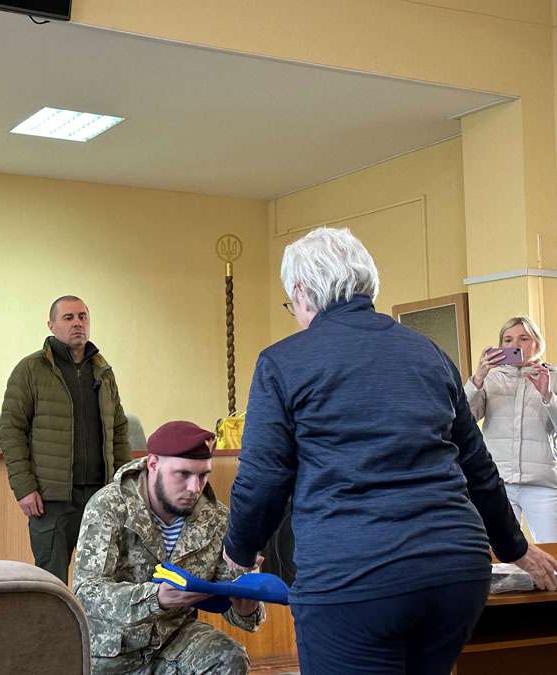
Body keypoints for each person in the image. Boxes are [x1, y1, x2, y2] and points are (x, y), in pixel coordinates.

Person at [223, 227, 557, 675]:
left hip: (354, 576)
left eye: (291, 303)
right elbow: (477, 465)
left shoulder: (283, 362)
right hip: (456, 571)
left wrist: (239, 552)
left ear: (303, 291)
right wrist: (515, 548)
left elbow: (263, 476)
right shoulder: (427, 352)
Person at [74, 420, 263, 675]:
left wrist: (246, 603)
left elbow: (234, 604)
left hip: (174, 639)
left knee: (228, 658)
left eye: (203, 475)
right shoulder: (109, 506)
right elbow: (87, 591)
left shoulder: (216, 519)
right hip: (113, 649)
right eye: (183, 474)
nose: (194, 488)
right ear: (153, 464)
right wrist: (156, 598)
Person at [0, 295, 131, 583]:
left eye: (82, 316)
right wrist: (24, 487)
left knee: (102, 579)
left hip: (100, 495)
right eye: (68, 318)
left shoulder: (103, 371)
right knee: (51, 580)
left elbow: (119, 430)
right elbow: (11, 431)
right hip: (52, 498)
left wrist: (123, 486)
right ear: (51, 325)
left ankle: (90, 631)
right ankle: (51, 631)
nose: (77, 324)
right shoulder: (30, 370)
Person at [465, 316, 557, 542]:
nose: (515, 344)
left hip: (542, 482)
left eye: (523, 338)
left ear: (537, 343)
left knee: (552, 552)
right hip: (498, 483)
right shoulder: (490, 379)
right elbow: (463, 419)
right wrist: (477, 379)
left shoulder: (553, 377)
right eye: (508, 340)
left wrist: (547, 395)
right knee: (500, 556)